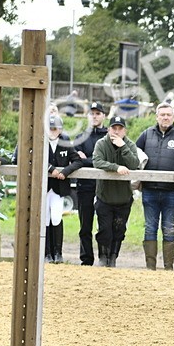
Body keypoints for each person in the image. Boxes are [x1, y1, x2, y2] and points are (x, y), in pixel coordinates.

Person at [135, 100, 174, 269]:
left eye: (168, 115)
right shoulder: (146, 134)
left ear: (173, 116)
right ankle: (150, 267)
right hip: (149, 191)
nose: (165, 118)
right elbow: (134, 155)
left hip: (172, 192)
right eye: (162, 115)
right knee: (150, 228)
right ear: (156, 117)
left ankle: (168, 267)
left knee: (169, 229)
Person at [92, 115, 141, 267]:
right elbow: (96, 161)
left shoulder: (130, 145)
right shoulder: (101, 143)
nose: (117, 131)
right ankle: (103, 257)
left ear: (124, 131)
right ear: (109, 129)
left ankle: (113, 258)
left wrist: (123, 147)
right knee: (104, 230)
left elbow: (134, 163)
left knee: (119, 230)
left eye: (120, 129)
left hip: (123, 198)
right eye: (114, 128)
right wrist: (116, 167)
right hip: (104, 196)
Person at [71, 101, 109, 265]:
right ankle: (86, 258)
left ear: (103, 116)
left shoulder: (109, 136)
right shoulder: (80, 137)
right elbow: (74, 160)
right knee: (85, 225)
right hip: (85, 186)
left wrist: (87, 159)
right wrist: (94, 161)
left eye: (97, 113)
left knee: (104, 226)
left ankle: (104, 257)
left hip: (105, 187)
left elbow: (107, 161)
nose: (94, 116)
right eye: (92, 113)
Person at [44, 116, 80, 263]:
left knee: (57, 218)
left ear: (60, 129)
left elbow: (78, 161)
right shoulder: (42, 140)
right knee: (45, 219)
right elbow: (35, 156)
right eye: (50, 128)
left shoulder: (66, 141)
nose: (52, 131)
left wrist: (64, 172)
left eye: (55, 128)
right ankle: (46, 253)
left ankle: (58, 252)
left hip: (59, 187)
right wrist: (51, 169)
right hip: (45, 186)